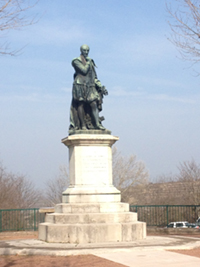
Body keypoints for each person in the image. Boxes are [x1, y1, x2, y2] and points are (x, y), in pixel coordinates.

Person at [69, 44, 107, 131]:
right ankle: (82, 125)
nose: (86, 52)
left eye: (87, 51)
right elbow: (84, 70)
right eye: (84, 51)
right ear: (81, 51)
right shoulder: (75, 61)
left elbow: (94, 76)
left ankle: (97, 124)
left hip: (90, 86)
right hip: (79, 85)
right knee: (81, 104)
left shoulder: (90, 61)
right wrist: (89, 63)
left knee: (93, 104)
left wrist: (100, 85)